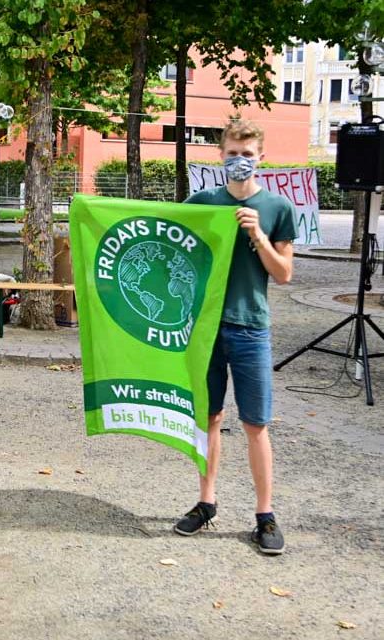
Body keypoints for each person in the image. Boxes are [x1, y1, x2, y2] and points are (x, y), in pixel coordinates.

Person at [176, 119, 295, 555]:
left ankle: (265, 515)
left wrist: (257, 234)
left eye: (247, 154)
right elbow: (171, 242)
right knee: (208, 419)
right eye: (232, 153)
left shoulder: (279, 208)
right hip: (204, 329)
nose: (239, 160)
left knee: (255, 423)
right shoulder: (203, 202)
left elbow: (283, 274)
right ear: (220, 156)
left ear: (261, 157)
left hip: (250, 328)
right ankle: (206, 503)